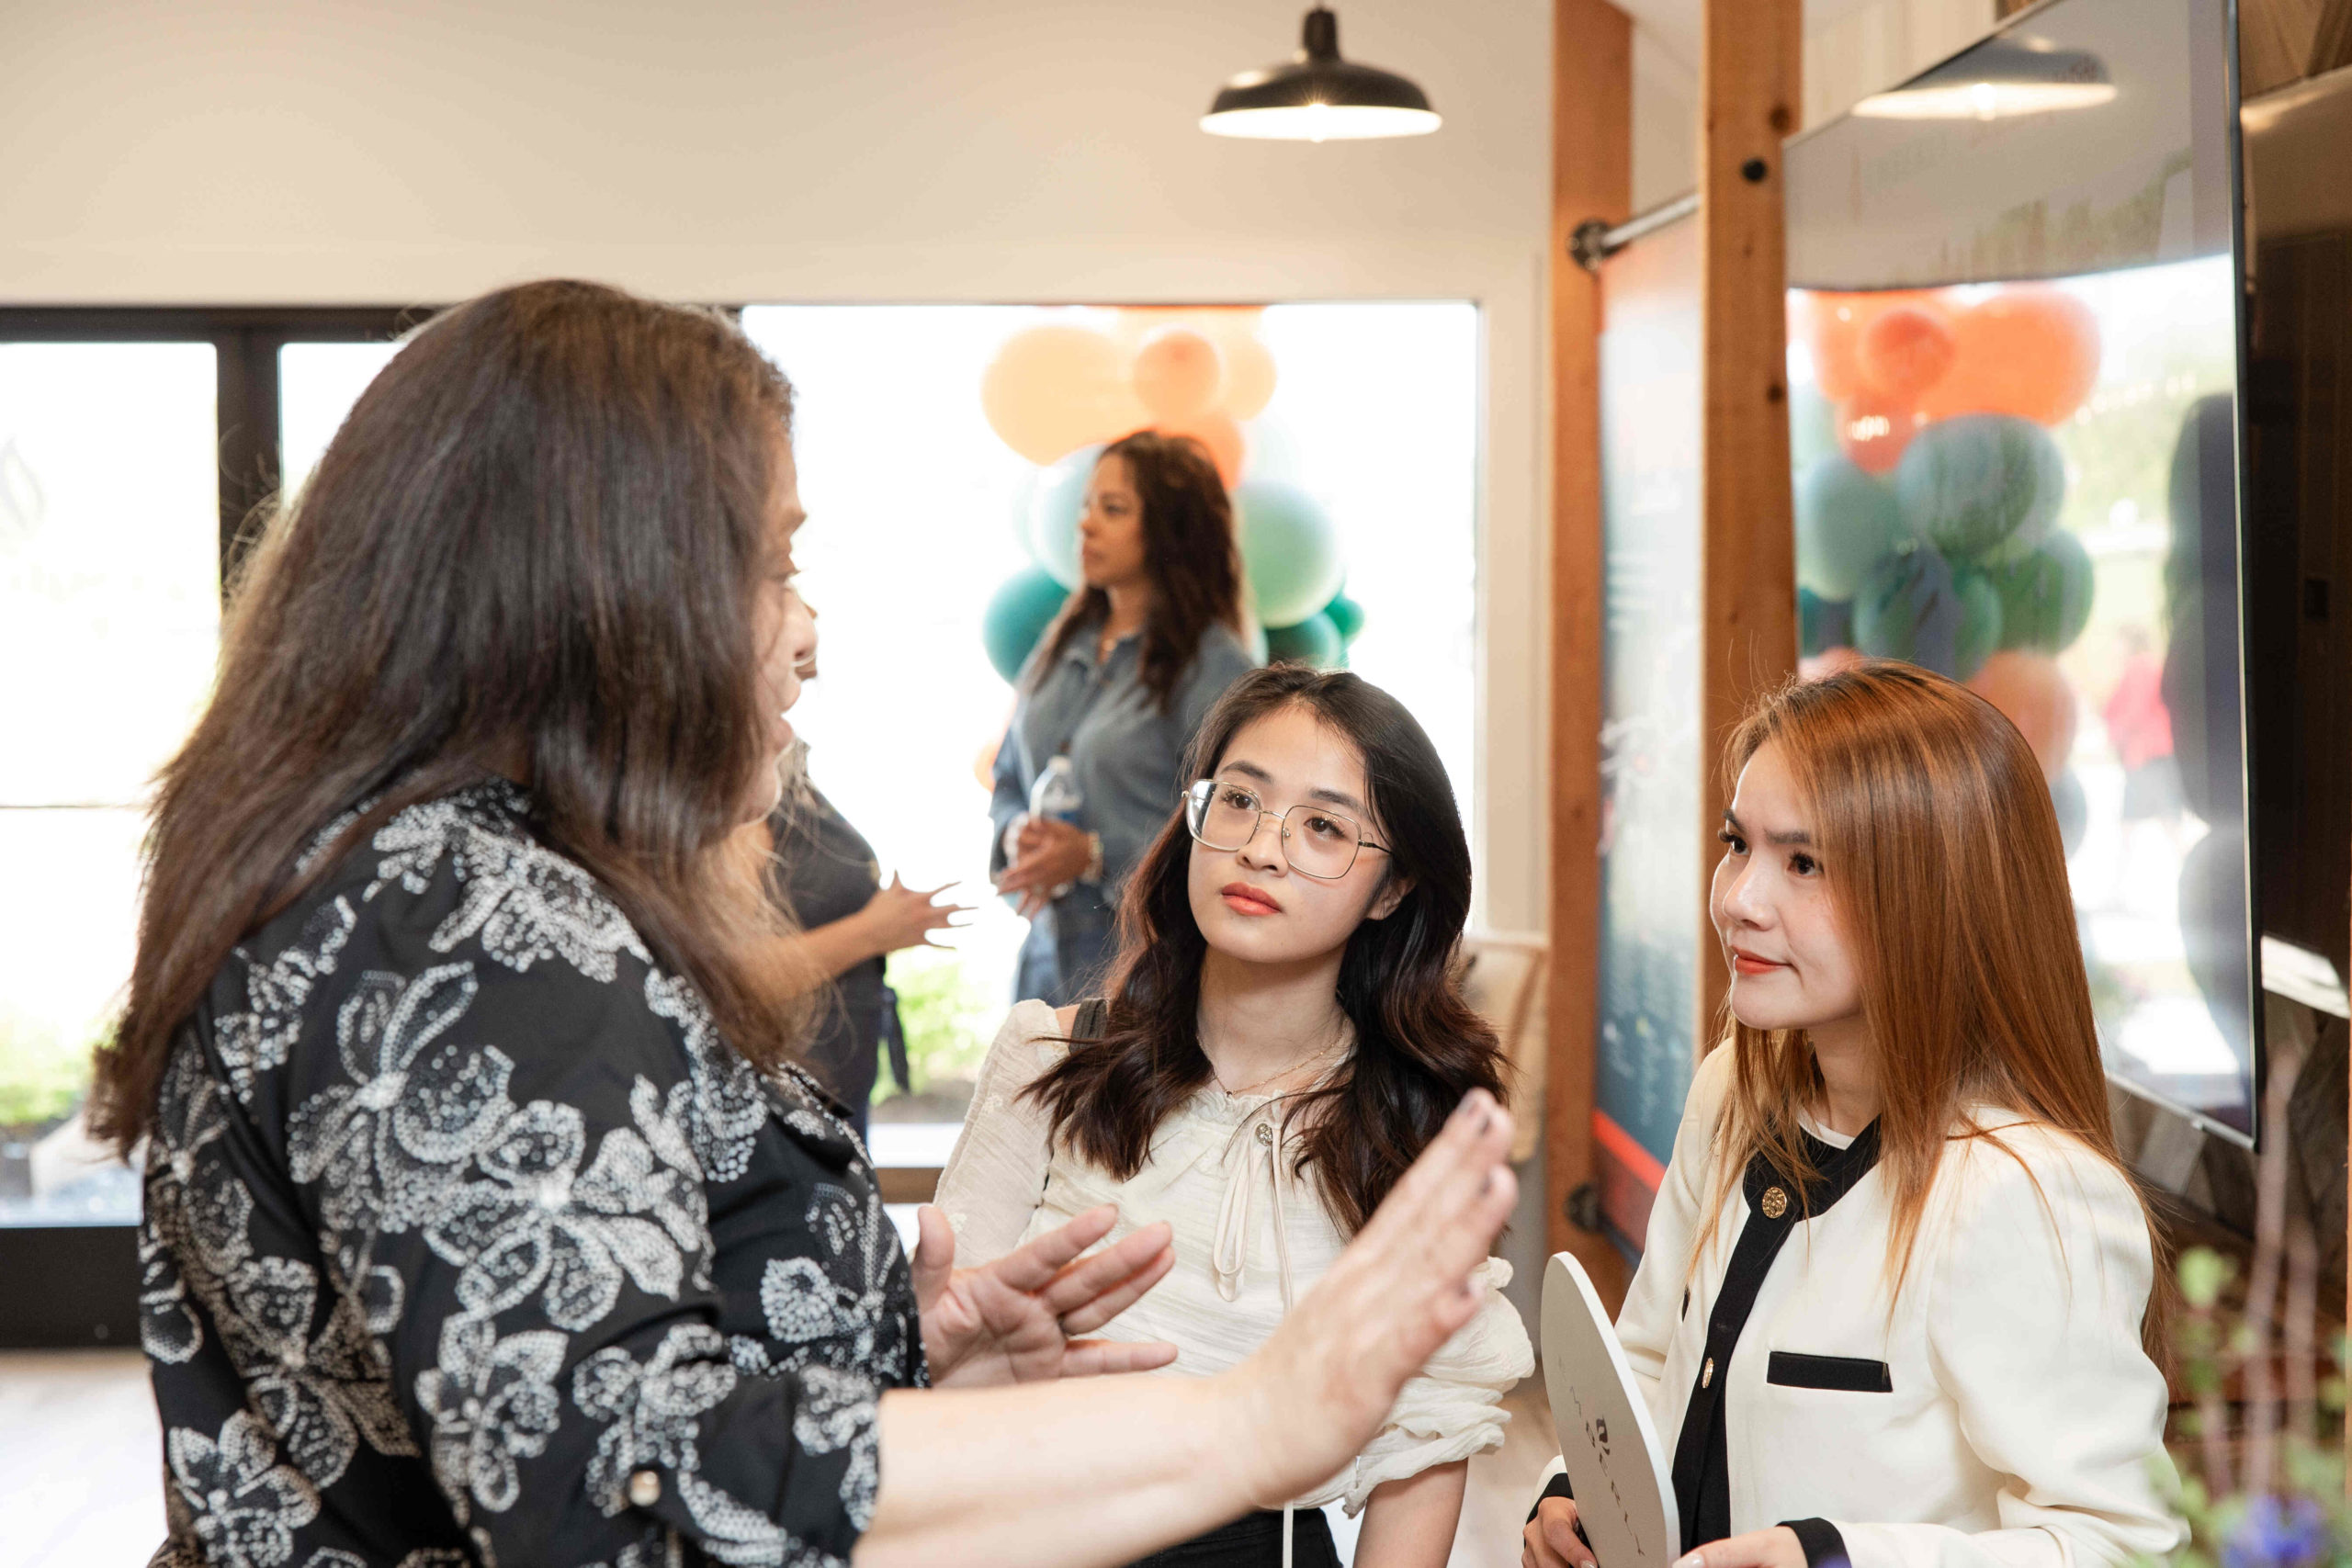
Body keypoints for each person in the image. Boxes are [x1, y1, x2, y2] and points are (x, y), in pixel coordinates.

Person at [90, 280, 1524, 1568]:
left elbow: (630, 1329)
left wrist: (911, 1343)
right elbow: (617, 1482)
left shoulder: (477, 891)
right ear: (609, 591)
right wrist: (1241, 1427)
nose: (810, 627)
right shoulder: (462, 926)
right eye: (775, 563)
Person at [1522, 661, 2184, 1568]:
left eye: (1803, 863)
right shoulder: (1732, 1092)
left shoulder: (2024, 1192)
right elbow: (1648, 1362)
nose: (1739, 901)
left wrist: (1830, 1559)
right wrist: (1571, 1490)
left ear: (1932, 897)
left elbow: (2119, 1545)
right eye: (1735, 844)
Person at [943, 664, 1535, 1568]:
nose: (1263, 849)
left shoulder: (1408, 1131)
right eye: (1241, 802)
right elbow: (944, 1350)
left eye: (1324, 826)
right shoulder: (1049, 1057)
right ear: (1194, 817)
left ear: (1390, 890)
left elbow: (1424, 1444)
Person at [990, 430, 1259, 1006]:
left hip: (1146, 976)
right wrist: (1015, 833)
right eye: (1087, 505)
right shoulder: (1063, 644)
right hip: (1045, 960)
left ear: (1169, 531)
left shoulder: (1212, 668)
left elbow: (1231, 829)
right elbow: (1008, 773)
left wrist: (1094, 853)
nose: (1085, 524)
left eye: (1112, 509)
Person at [763, 606, 971, 1142]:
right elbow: (740, 974)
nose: (806, 613)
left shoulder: (787, 768)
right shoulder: (741, 795)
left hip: (835, 1080)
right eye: (784, 584)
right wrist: (874, 931)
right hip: (790, 1092)